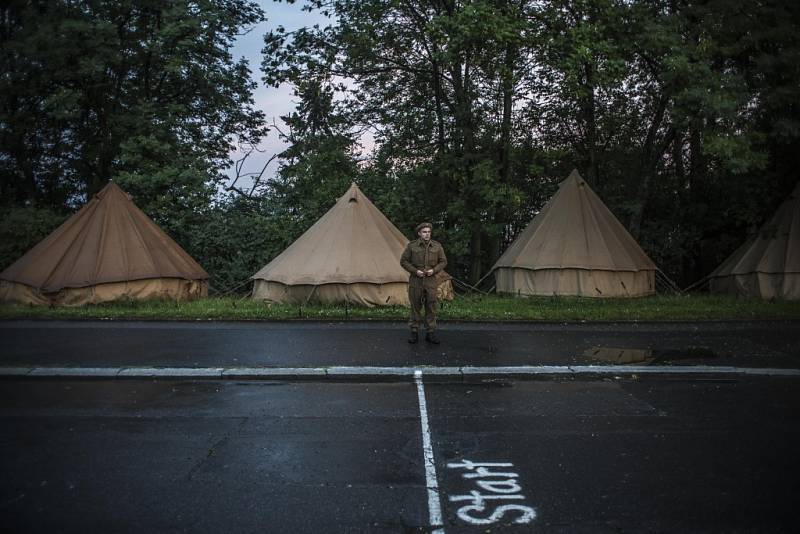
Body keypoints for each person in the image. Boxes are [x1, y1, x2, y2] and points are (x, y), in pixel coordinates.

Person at [400, 222, 447, 344]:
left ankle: (430, 333)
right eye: (424, 232)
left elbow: (443, 261)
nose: (427, 234)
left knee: (431, 307)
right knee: (415, 307)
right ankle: (414, 333)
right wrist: (415, 271)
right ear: (419, 233)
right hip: (416, 281)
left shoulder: (437, 246)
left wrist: (434, 270)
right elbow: (404, 261)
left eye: (429, 232)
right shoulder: (412, 246)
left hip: (431, 281)